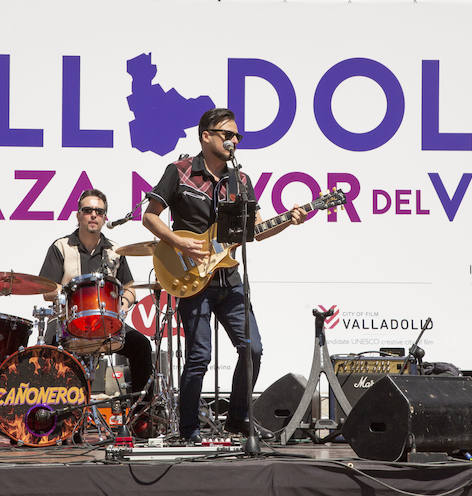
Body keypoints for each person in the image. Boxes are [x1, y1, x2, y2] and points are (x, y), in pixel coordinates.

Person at [142, 108, 307, 443]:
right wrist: (179, 243)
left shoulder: (240, 181)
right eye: (227, 135)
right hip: (190, 276)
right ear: (206, 136)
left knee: (252, 348)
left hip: (229, 277)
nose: (234, 141)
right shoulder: (180, 171)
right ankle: (189, 429)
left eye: (237, 136)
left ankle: (238, 417)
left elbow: (257, 230)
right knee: (199, 356)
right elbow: (150, 217)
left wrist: (288, 220)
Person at [38, 189, 154, 434]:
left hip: (107, 323)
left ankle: (140, 418)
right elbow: (47, 289)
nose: (93, 215)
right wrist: (67, 293)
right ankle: (50, 418)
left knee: (142, 345)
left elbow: (130, 288)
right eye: (88, 210)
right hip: (68, 321)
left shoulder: (115, 251)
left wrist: (123, 304)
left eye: (99, 212)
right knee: (48, 347)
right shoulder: (61, 247)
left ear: (105, 217)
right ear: (78, 215)